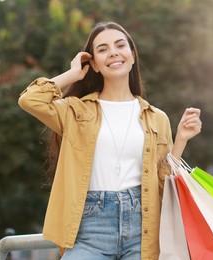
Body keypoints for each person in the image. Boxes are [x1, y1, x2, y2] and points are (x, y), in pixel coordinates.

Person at [18, 21, 202, 259]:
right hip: (89, 230)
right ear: (93, 63)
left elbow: (162, 185)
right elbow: (29, 100)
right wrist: (73, 74)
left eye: (119, 45)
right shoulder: (75, 111)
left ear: (132, 55)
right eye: (102, 49)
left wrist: (182, 140)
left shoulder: (157, 118)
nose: (113, 52)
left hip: (143, 230)